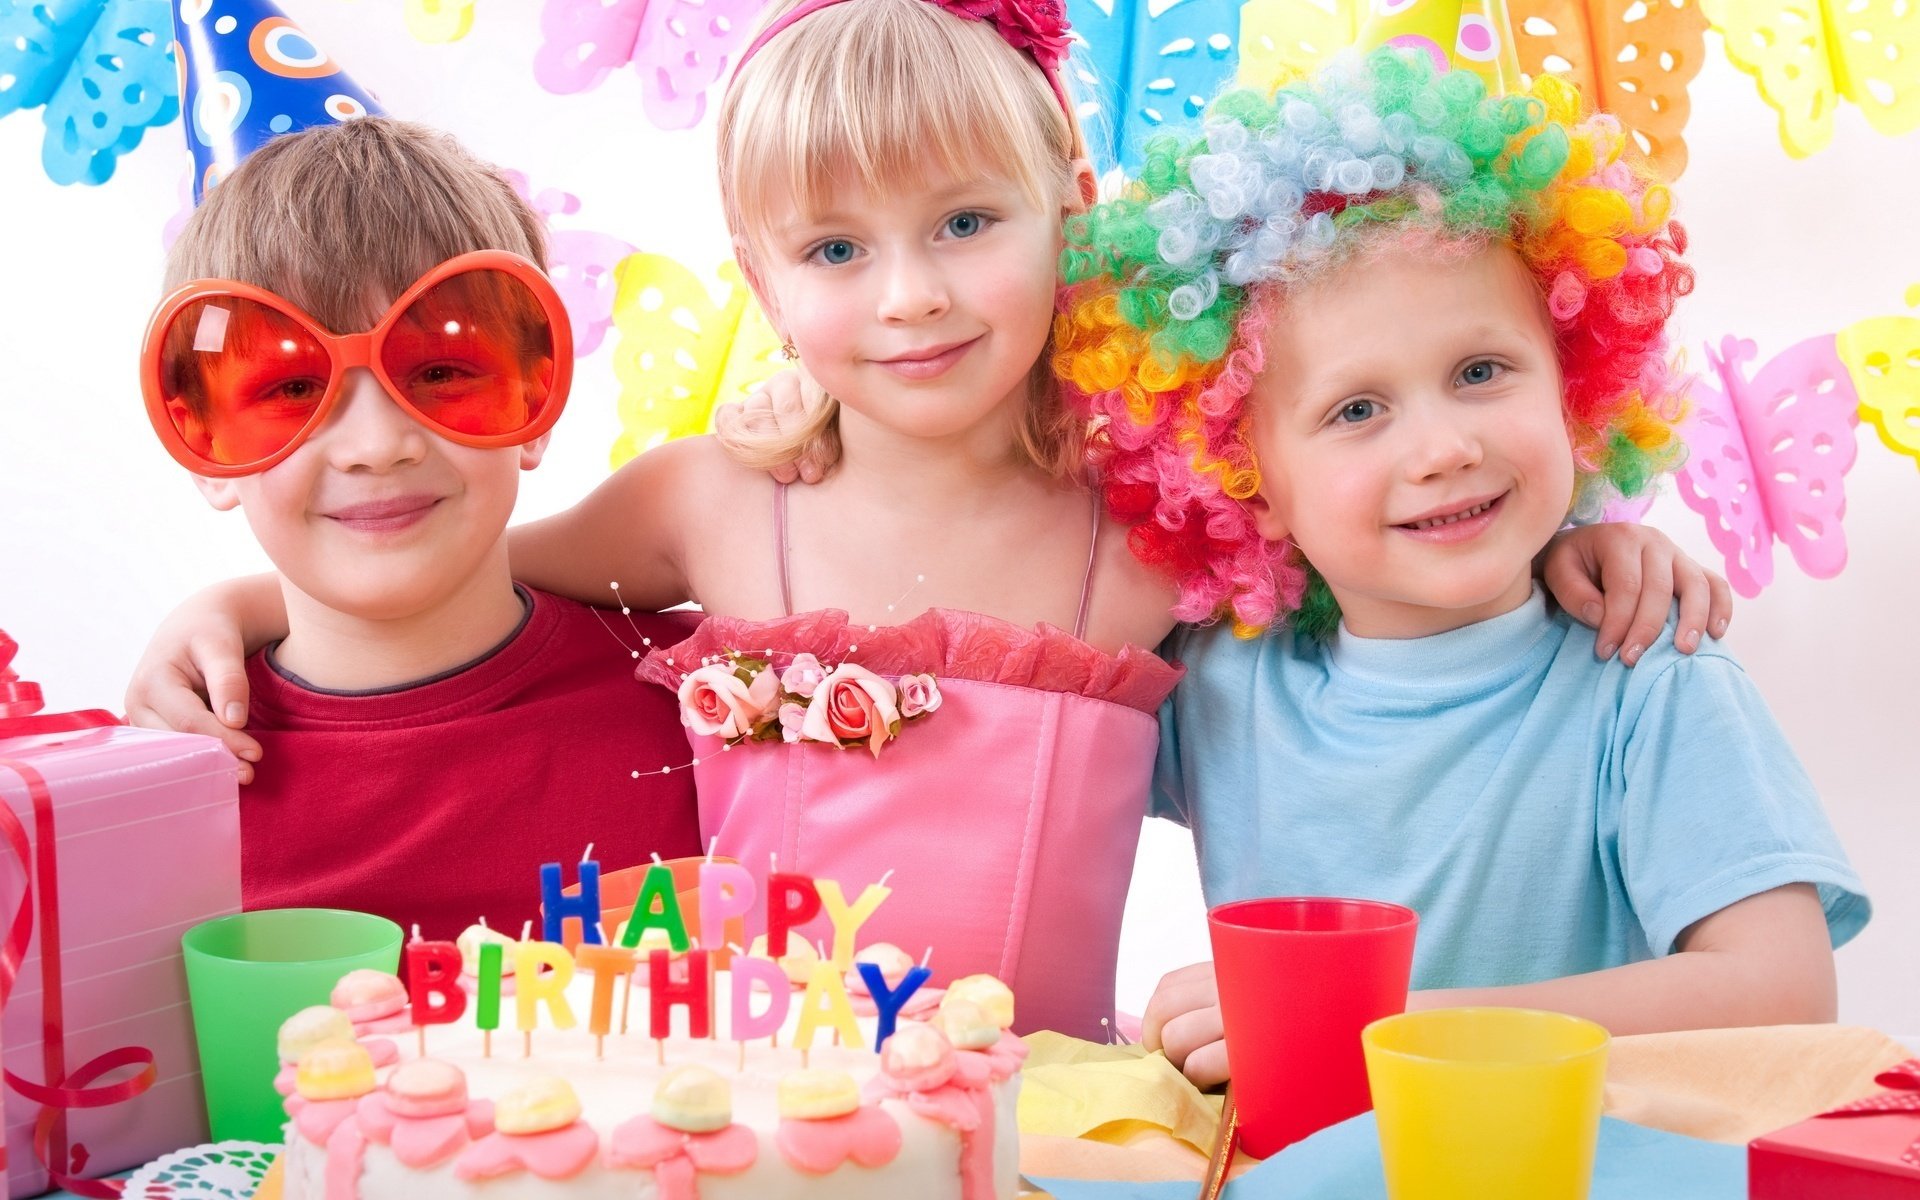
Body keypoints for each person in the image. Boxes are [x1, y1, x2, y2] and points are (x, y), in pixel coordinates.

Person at [127, 6, 1724, 1036]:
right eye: (835, 251)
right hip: (747, 1130)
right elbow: (449, 559)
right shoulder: (704, 507)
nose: (913, 296)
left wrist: (1583, 531)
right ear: (761, 282)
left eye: (967, 223)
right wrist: (236, 611)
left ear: (1067, 220)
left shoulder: (1162, 524)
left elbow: (1400, 515)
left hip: (1038, 1130)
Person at [1047, 52, 1867, 1084]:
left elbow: (1781, 992)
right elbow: (1003, 667)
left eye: (1480, 373)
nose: (1441, 449)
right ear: (1243, 472)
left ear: (1573, 390)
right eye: (1358, 410)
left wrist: (1380, 1021)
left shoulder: (1648, 676)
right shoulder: (1220, 683)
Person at [135, 117, 701, 938]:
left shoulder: (714, 693)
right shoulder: (163, 797)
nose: (376, 446)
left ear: (537, 395)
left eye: (439, 371)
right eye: (291, 389)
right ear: (202, 440)